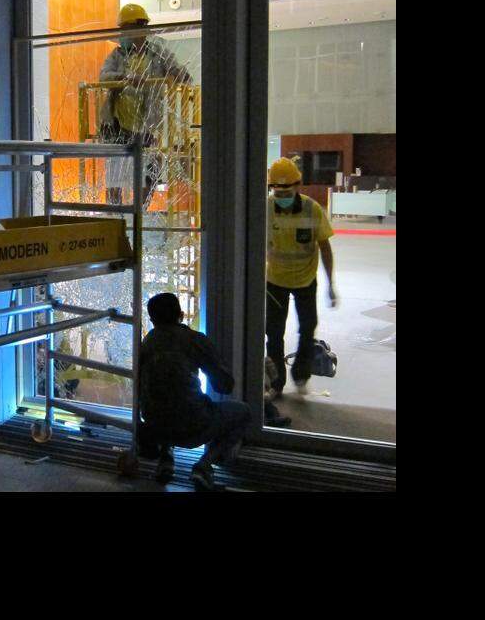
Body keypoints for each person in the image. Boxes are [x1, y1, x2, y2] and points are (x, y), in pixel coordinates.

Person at [137, 293, 250, 491]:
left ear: (152, 319)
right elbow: (224, 385)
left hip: (155, 428)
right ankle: (204, 466)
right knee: (243, 412)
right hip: (194, 426)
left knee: (163, 399)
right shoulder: (194, 340)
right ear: (181, 315)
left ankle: (166, 459)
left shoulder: (147, 343)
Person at [98, 3, 192, 207]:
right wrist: (125, 77)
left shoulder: (157, 54)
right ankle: (116, 218)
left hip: (146, 126)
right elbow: (104, 76)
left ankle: (138, 216)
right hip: (117, 126)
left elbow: (181, 73)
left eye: (126, 30)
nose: (124, 34)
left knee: (149, 172)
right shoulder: (117, 56)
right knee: (116, 175)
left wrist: (179, 75)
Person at [265, 157, 338, 403]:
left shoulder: (312, 209)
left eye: (287, 190)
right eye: (277, 190)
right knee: (273, 334)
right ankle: (276, 383)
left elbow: (325, 248)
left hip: (306, 281)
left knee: (307, 329)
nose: (282, 194)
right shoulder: (266, 209)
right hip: (275, 280)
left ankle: (301, 375)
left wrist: (330, 285)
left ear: (298, 185)